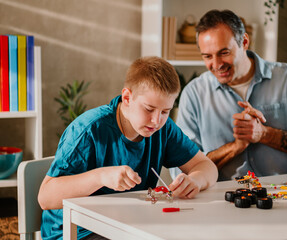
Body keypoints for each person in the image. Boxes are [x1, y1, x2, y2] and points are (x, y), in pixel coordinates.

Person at [38, 56, 218, 240]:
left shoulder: (163, 129)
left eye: (165, 112)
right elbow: (45, 197)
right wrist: (101, 176)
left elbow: (207, 166)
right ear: (127, 97)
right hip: (76, 231)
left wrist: (195, 180)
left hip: (129, 225)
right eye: (148, 109)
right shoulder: (89, 130)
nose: (156, 121)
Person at [171, 9, 287, 181]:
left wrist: (265, 134)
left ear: (244, 42)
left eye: (224, 53)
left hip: (283, 197)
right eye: (207, 56)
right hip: (222, 201)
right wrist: (234, 147)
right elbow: (180, 170)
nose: (216, 64)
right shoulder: (194, 93)